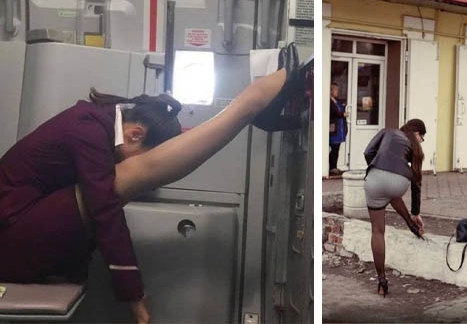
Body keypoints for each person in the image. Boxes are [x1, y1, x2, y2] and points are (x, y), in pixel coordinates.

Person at [0, 43, 301, 323]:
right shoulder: (88, 127)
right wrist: (134, 294)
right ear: (135, 135)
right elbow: (103, 208)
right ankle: (252, 102)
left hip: (17, 228)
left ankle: (254, 105)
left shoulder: (98, 123)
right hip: (7, 238)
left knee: (113, 184)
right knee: (122, 180)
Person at [363, 119, 427, 297]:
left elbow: (368, 151)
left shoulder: (387, 131)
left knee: (377, 231)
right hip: (400, 181)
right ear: (416, 133)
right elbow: (416, 185)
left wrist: (376, 167)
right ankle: (411, 222)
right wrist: (416, 212)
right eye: (423, 136)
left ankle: (382, 282)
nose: (422, 140)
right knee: (391, 192)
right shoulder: (416, 150)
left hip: (375, 179)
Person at [329, 82, 348, 176]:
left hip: (339, 128)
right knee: (334, 148)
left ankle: (334, 166)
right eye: (335, 89)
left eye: (337, 89)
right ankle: (331, 167)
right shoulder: (329, 101)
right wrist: (342, 114)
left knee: (337, 148)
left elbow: (341, 109)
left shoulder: (337, 101)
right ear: (330, 90)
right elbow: (333, 112)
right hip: (333, 128)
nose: (337, 91)